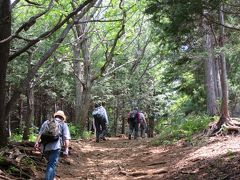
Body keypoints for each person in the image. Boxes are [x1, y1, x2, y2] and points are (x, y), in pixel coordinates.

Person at [34, 110, 71, 180]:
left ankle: (52, 177)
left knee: (51, 163)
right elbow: (66, 138)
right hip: (55, 147)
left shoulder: (46, 122)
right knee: (51, 164)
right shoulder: (63, 124)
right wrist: (66, 149)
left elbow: (40, 133)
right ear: (62, 117)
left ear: (55, 116)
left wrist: (36, 143)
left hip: (44, 147)